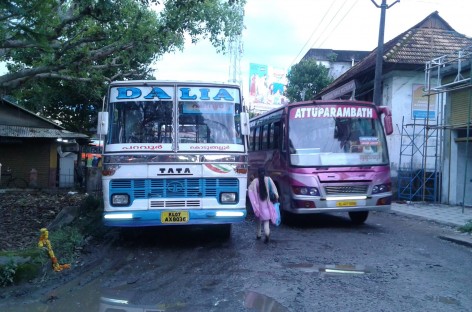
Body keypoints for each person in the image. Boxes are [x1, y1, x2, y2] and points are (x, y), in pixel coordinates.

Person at [248, 168, 279, 243]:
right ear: (265, 172)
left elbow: (250, 189)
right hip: (267, 203)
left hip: (258, 204)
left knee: (258, 220)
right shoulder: (268, 179)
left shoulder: (255, 181)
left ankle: (258, 234)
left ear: (258, 173)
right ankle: (267, 235)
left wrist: (251, 181)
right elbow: (274, 190)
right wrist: (276, 197)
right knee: (266, 221)